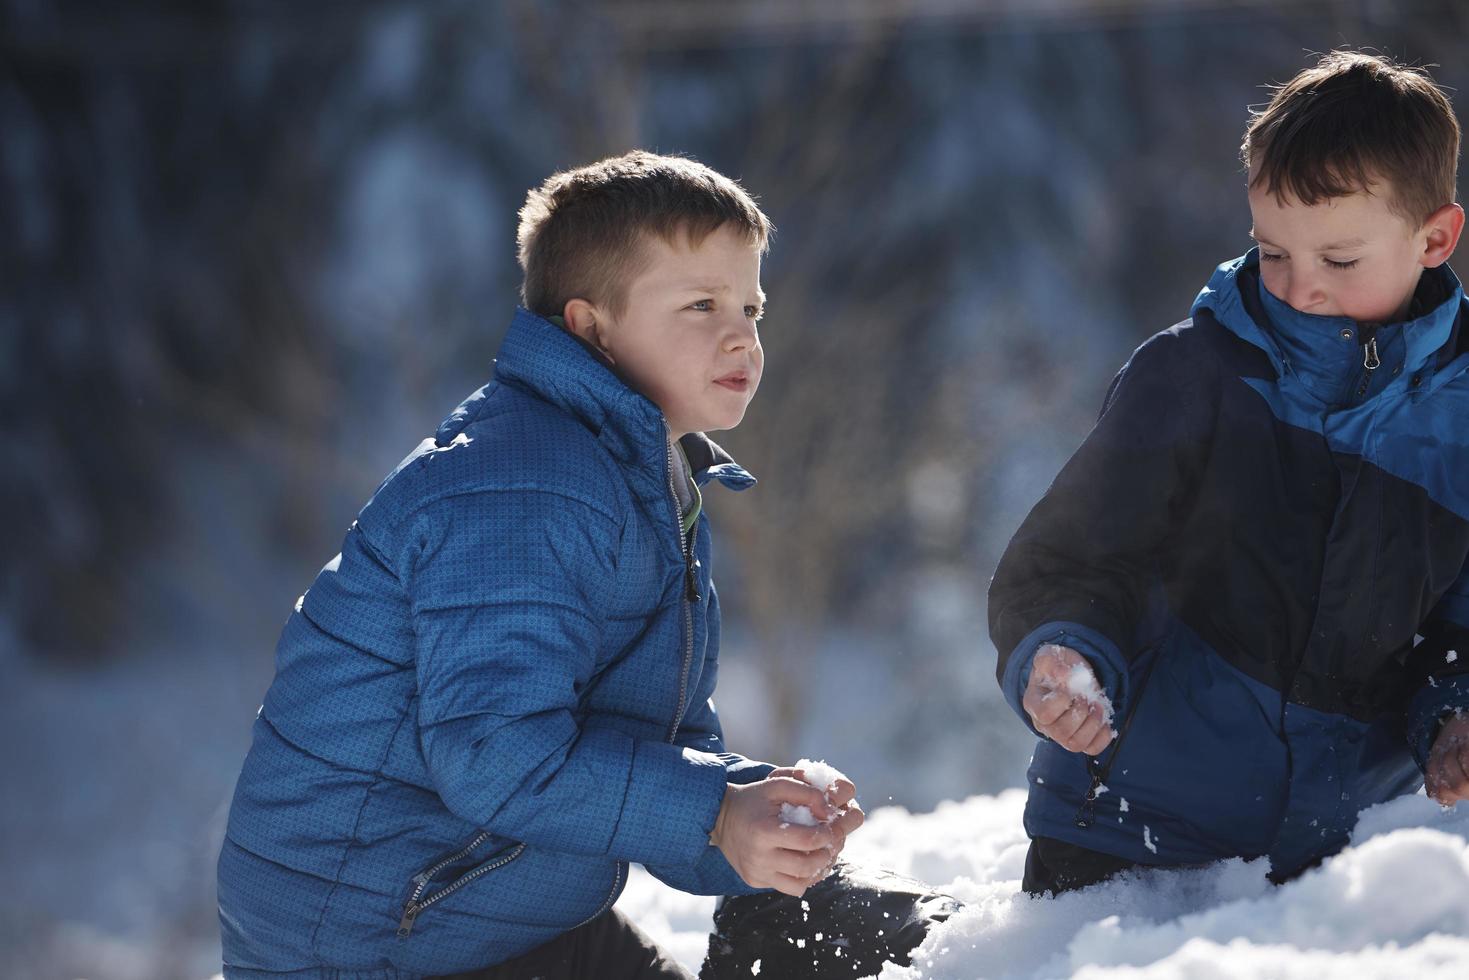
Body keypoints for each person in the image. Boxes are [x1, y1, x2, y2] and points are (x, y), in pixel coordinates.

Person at [216, 150, 864, 979]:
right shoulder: (527, 486)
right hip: (378, 939)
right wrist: (710, 812)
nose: (741, 333)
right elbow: (496, 752)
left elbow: (650, 739)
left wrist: (754, 812)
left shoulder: (642, 477)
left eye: (751, 305)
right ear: (589, 326)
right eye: (701, 304)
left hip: (489, 905)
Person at [989, 50, 1469, 897]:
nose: (1299, 289)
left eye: (1339, 260)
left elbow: (1457, 614)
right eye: (1272, 252)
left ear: (1434, 237)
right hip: (1127, 830)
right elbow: (1071, 558)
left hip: (1332, 859)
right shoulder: (1193, 376)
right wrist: (1064, 651)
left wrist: (1455, 711)